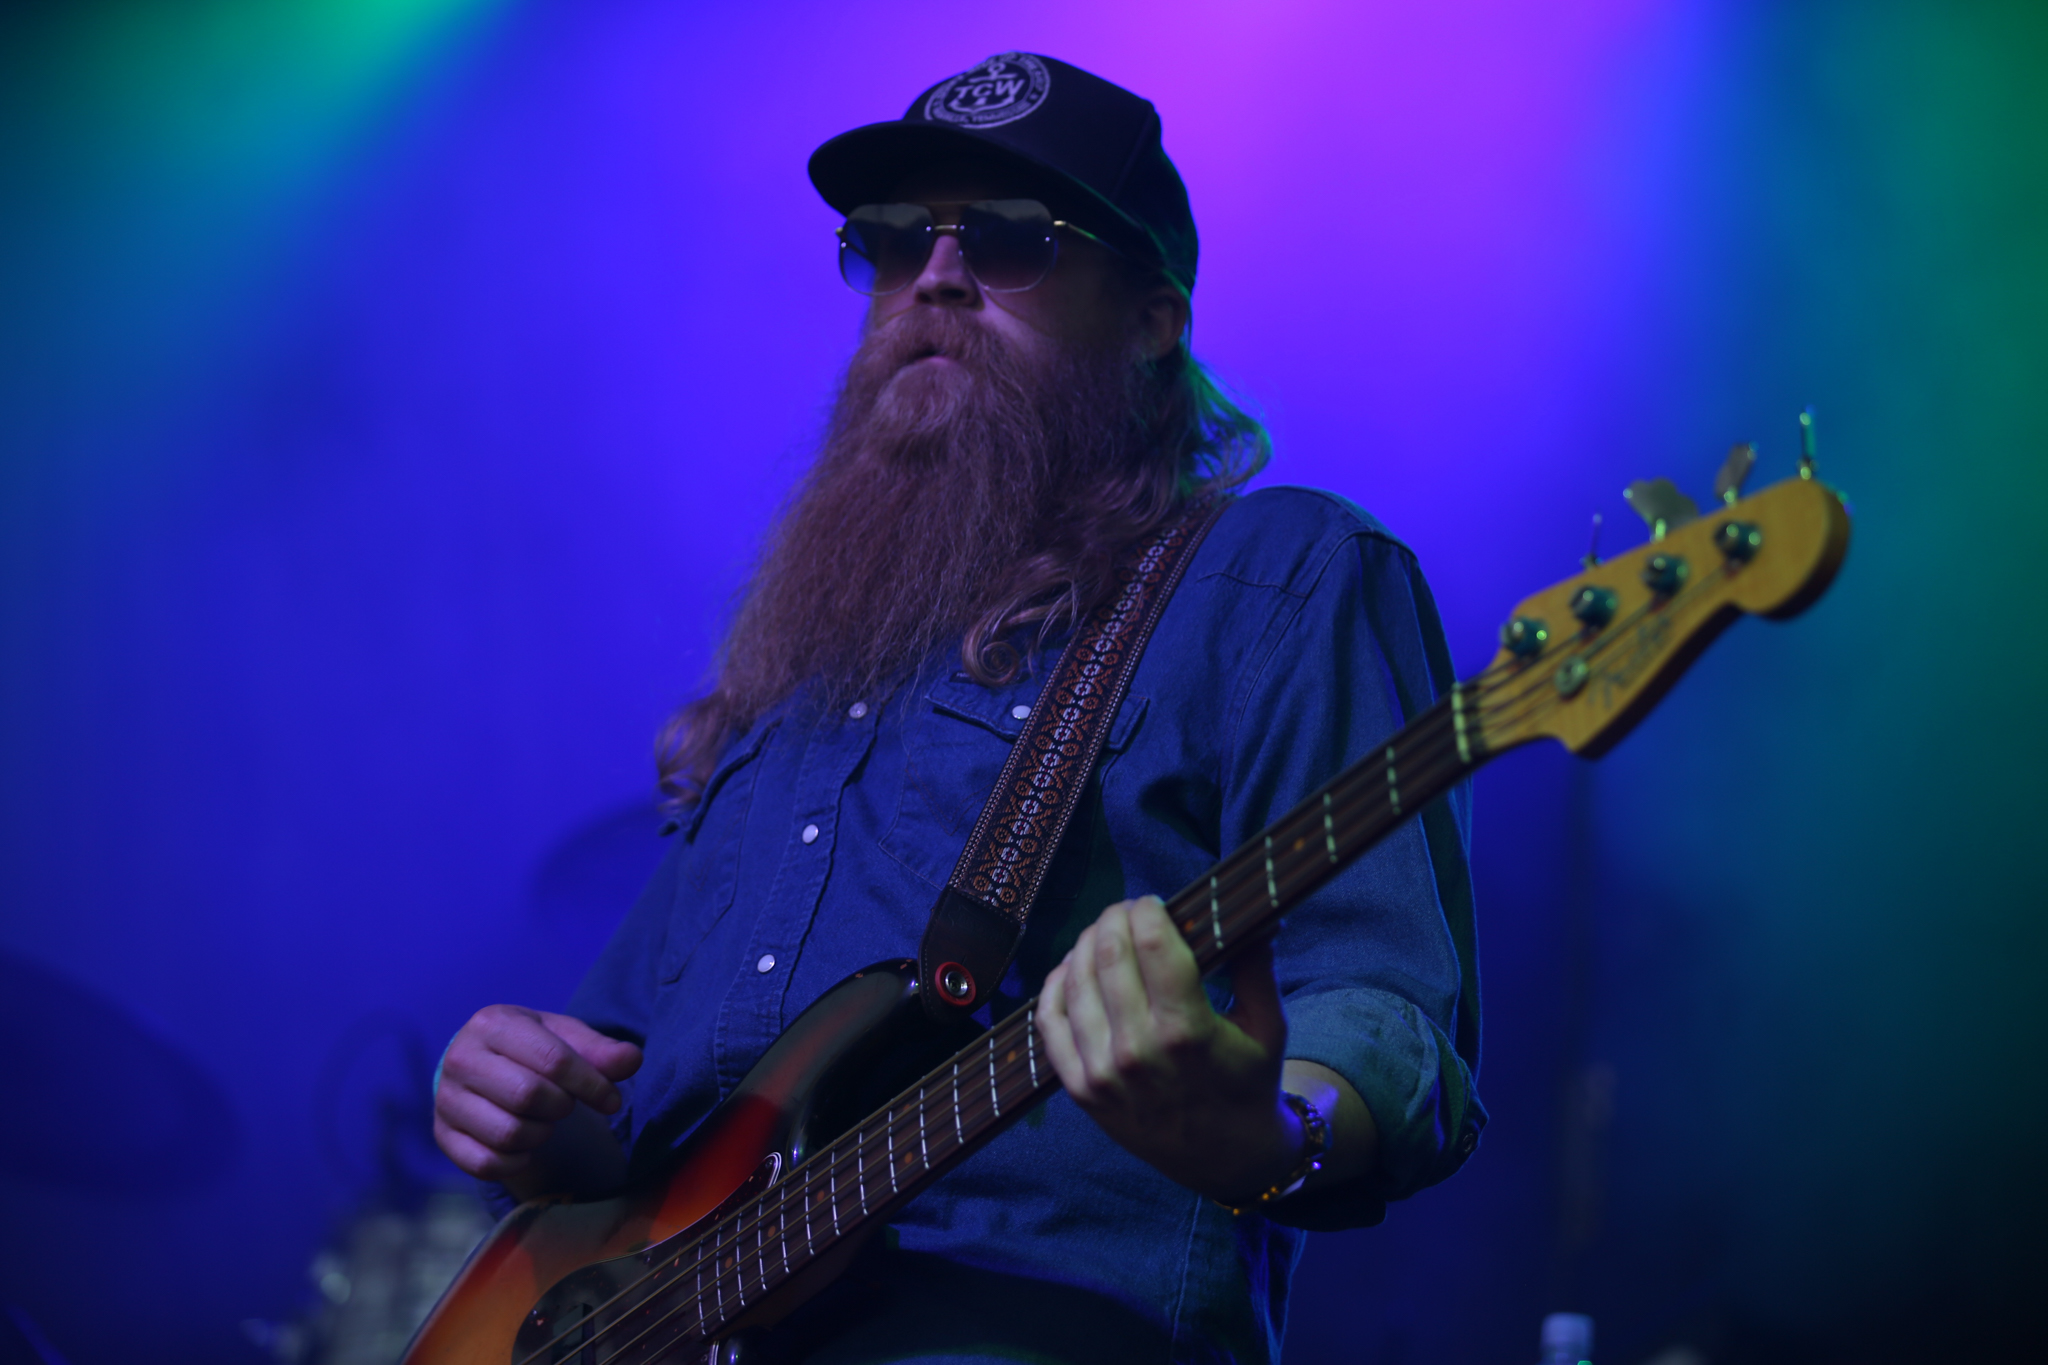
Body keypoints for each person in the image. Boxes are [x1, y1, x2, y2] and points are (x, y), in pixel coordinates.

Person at [430, 53, 1482, 1364]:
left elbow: (1382, 1007)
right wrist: (538, 1111)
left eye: (1006, 240)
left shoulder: (1271, 579)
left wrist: (1263, 1128)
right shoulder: (806, 664)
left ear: (1155, 319)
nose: (933, 276)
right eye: (889, 242)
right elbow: (635, 1116)